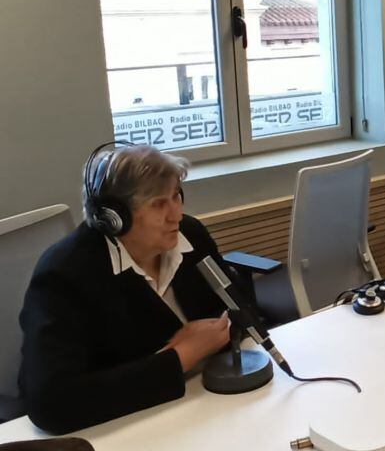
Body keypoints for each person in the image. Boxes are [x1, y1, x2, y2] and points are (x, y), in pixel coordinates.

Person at [18, 143, 251, 434]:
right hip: (123, 433)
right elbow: (50, 403)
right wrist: (180, 357)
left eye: (177, 196)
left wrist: (224, 330)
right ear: (114, 217)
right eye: (158, 204)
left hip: (202, 412)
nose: (175, 214)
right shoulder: (65, 272)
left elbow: (239, 306)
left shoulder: (189, 236)